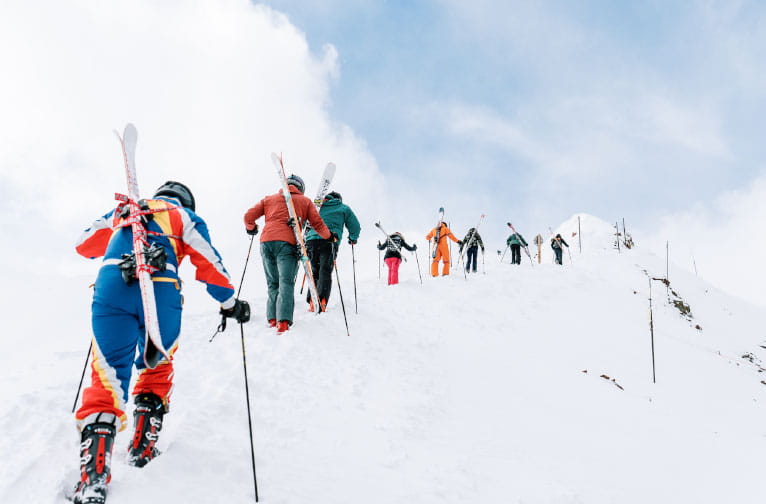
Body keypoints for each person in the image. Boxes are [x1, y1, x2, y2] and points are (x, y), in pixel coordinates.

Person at [71, 181, 250, 504]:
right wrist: (229, 303)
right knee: (157, 365)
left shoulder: (126, 208)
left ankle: (93, 478)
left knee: (108, 377)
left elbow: (84, 245)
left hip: (112, 286)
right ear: (186, 201)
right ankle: (142, 446)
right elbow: (209, 261)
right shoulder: (183, 216)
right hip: (161, 287)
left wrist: (118, 222)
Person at [243, 174, 332, 332]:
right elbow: (317, 224)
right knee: (286, 282)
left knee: (273, 283)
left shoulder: (268, 199)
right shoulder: (304, 201)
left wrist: (251, 229)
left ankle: (272, 319)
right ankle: (283, 322)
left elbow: (248, 217)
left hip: (266, 242)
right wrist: (330, 236)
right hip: (287, 244)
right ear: (300, 188)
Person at [303, 191, 361, 312]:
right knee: (325, 270)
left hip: (311, 241)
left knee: (314, 271)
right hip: (329, 241)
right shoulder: (343, 207)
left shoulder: (318, 205)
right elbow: (355, 226)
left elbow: (305, 218)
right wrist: (352, 238)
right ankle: (322, 300)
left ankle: (312, 302)